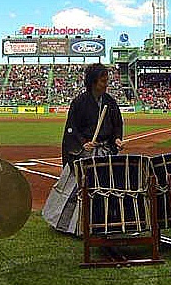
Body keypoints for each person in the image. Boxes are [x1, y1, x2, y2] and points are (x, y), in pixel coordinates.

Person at [42, 63, 125, 235]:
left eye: (107, 80)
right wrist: (82, 144)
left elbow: (117, 124)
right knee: (75, 189)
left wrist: (117, 138)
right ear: (93, 82)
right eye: (103, 81)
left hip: (104, 152)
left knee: (105, 188)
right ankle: (69, 225)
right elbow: (71, 129)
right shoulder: (79, 102)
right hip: (83, 154)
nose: (106, 84)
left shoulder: (110, 102)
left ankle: (103, 223)